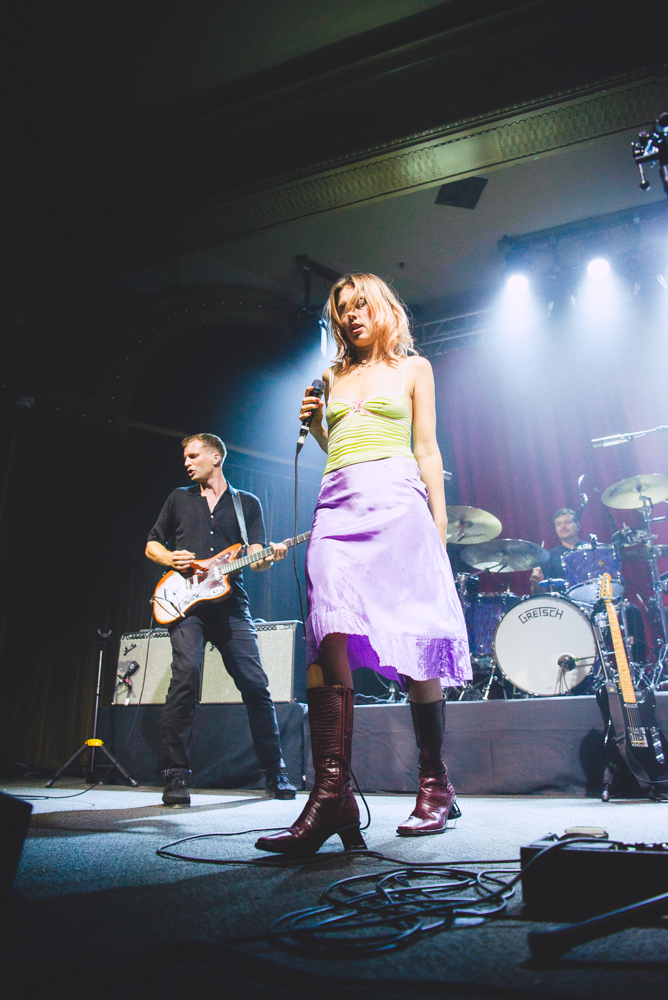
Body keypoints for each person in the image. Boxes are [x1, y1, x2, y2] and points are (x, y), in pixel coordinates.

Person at [255, 273, 471, 855]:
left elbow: (426, 448)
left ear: (383, 309)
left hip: (399, 505)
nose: (351, 316)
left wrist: (439, 530)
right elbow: (340, 446)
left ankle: (434, 784)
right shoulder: (331, 376)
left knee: (416, 638)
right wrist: (320, 425)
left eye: (360, 306)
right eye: (341, 310)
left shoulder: (413, 370)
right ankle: (332, 795)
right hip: (337, 505)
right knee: (329, 630)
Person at [146, 433, 297, 806]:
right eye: (186, 456)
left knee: (256, 685)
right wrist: (170, 559)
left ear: (216, 457)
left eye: (193, 455)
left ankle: (275, 772)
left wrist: (269, 556)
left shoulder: (247, 504)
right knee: (185, 679)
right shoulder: (179, 498)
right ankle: (176, 775)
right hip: (188, 605)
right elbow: (152, 543)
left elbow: (258, 557)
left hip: (231, 605)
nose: (187, 462)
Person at [530, 508, 584, 593]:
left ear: (578, 526)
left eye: (567, 522)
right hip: (564, 604)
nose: (563, 526)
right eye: (558, 524)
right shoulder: (548, 557)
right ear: (555, 529)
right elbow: (542, 593)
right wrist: (536, 584)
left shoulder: (593, 550)